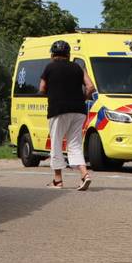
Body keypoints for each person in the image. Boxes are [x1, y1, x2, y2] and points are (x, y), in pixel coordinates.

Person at [37, 40, 96, 190]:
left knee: (56, 144)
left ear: (52, 54)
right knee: (75, 144)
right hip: (79, 111)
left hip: (58, 110)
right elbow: (90, 87)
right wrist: (83, 98)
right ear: (68, 55)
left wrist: (51, 94)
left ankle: (58, 180)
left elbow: (42, 88)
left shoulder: (49, 68)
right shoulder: (78, 67)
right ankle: (84, 174)